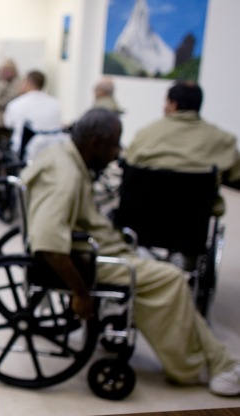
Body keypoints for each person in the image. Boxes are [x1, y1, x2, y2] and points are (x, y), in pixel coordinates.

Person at [19, 108, 240, 398]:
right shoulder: (66, 176)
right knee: (171, 278)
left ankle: (218, 360)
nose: (118, 152)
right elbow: (48, 243)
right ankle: (193, 366)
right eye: (114, 144)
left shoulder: (62, 152)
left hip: (99, 247)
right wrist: (81, 294)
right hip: (91, 259)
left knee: (164, 278)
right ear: (96, 143)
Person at [125, 81, 240, 216]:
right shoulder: (223, 140)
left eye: (166, 102)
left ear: (173, 104)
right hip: (196, 222)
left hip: (147, 216)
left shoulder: (144, 134)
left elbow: (129, 167)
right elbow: (235, 177)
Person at [3, 70, 65, 160]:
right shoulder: (56, 103)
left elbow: (8, 124)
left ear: (29, 83)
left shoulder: (16, 104)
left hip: (25, 155)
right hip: (53, 153)